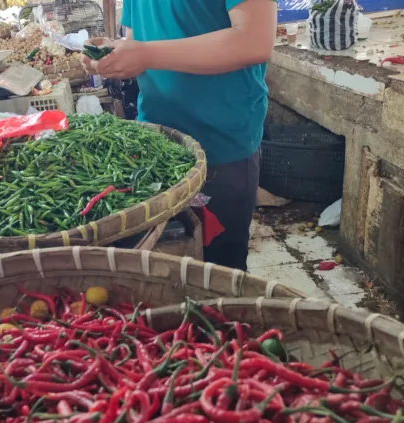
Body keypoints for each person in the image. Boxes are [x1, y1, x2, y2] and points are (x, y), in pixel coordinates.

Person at [82, 0, 276, 271]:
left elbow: (254, 41)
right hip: (157, 144)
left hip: (220, 146)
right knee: (159, 268)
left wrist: (146, 54)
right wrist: (113, 54)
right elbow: (138, 40)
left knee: (219, 273)